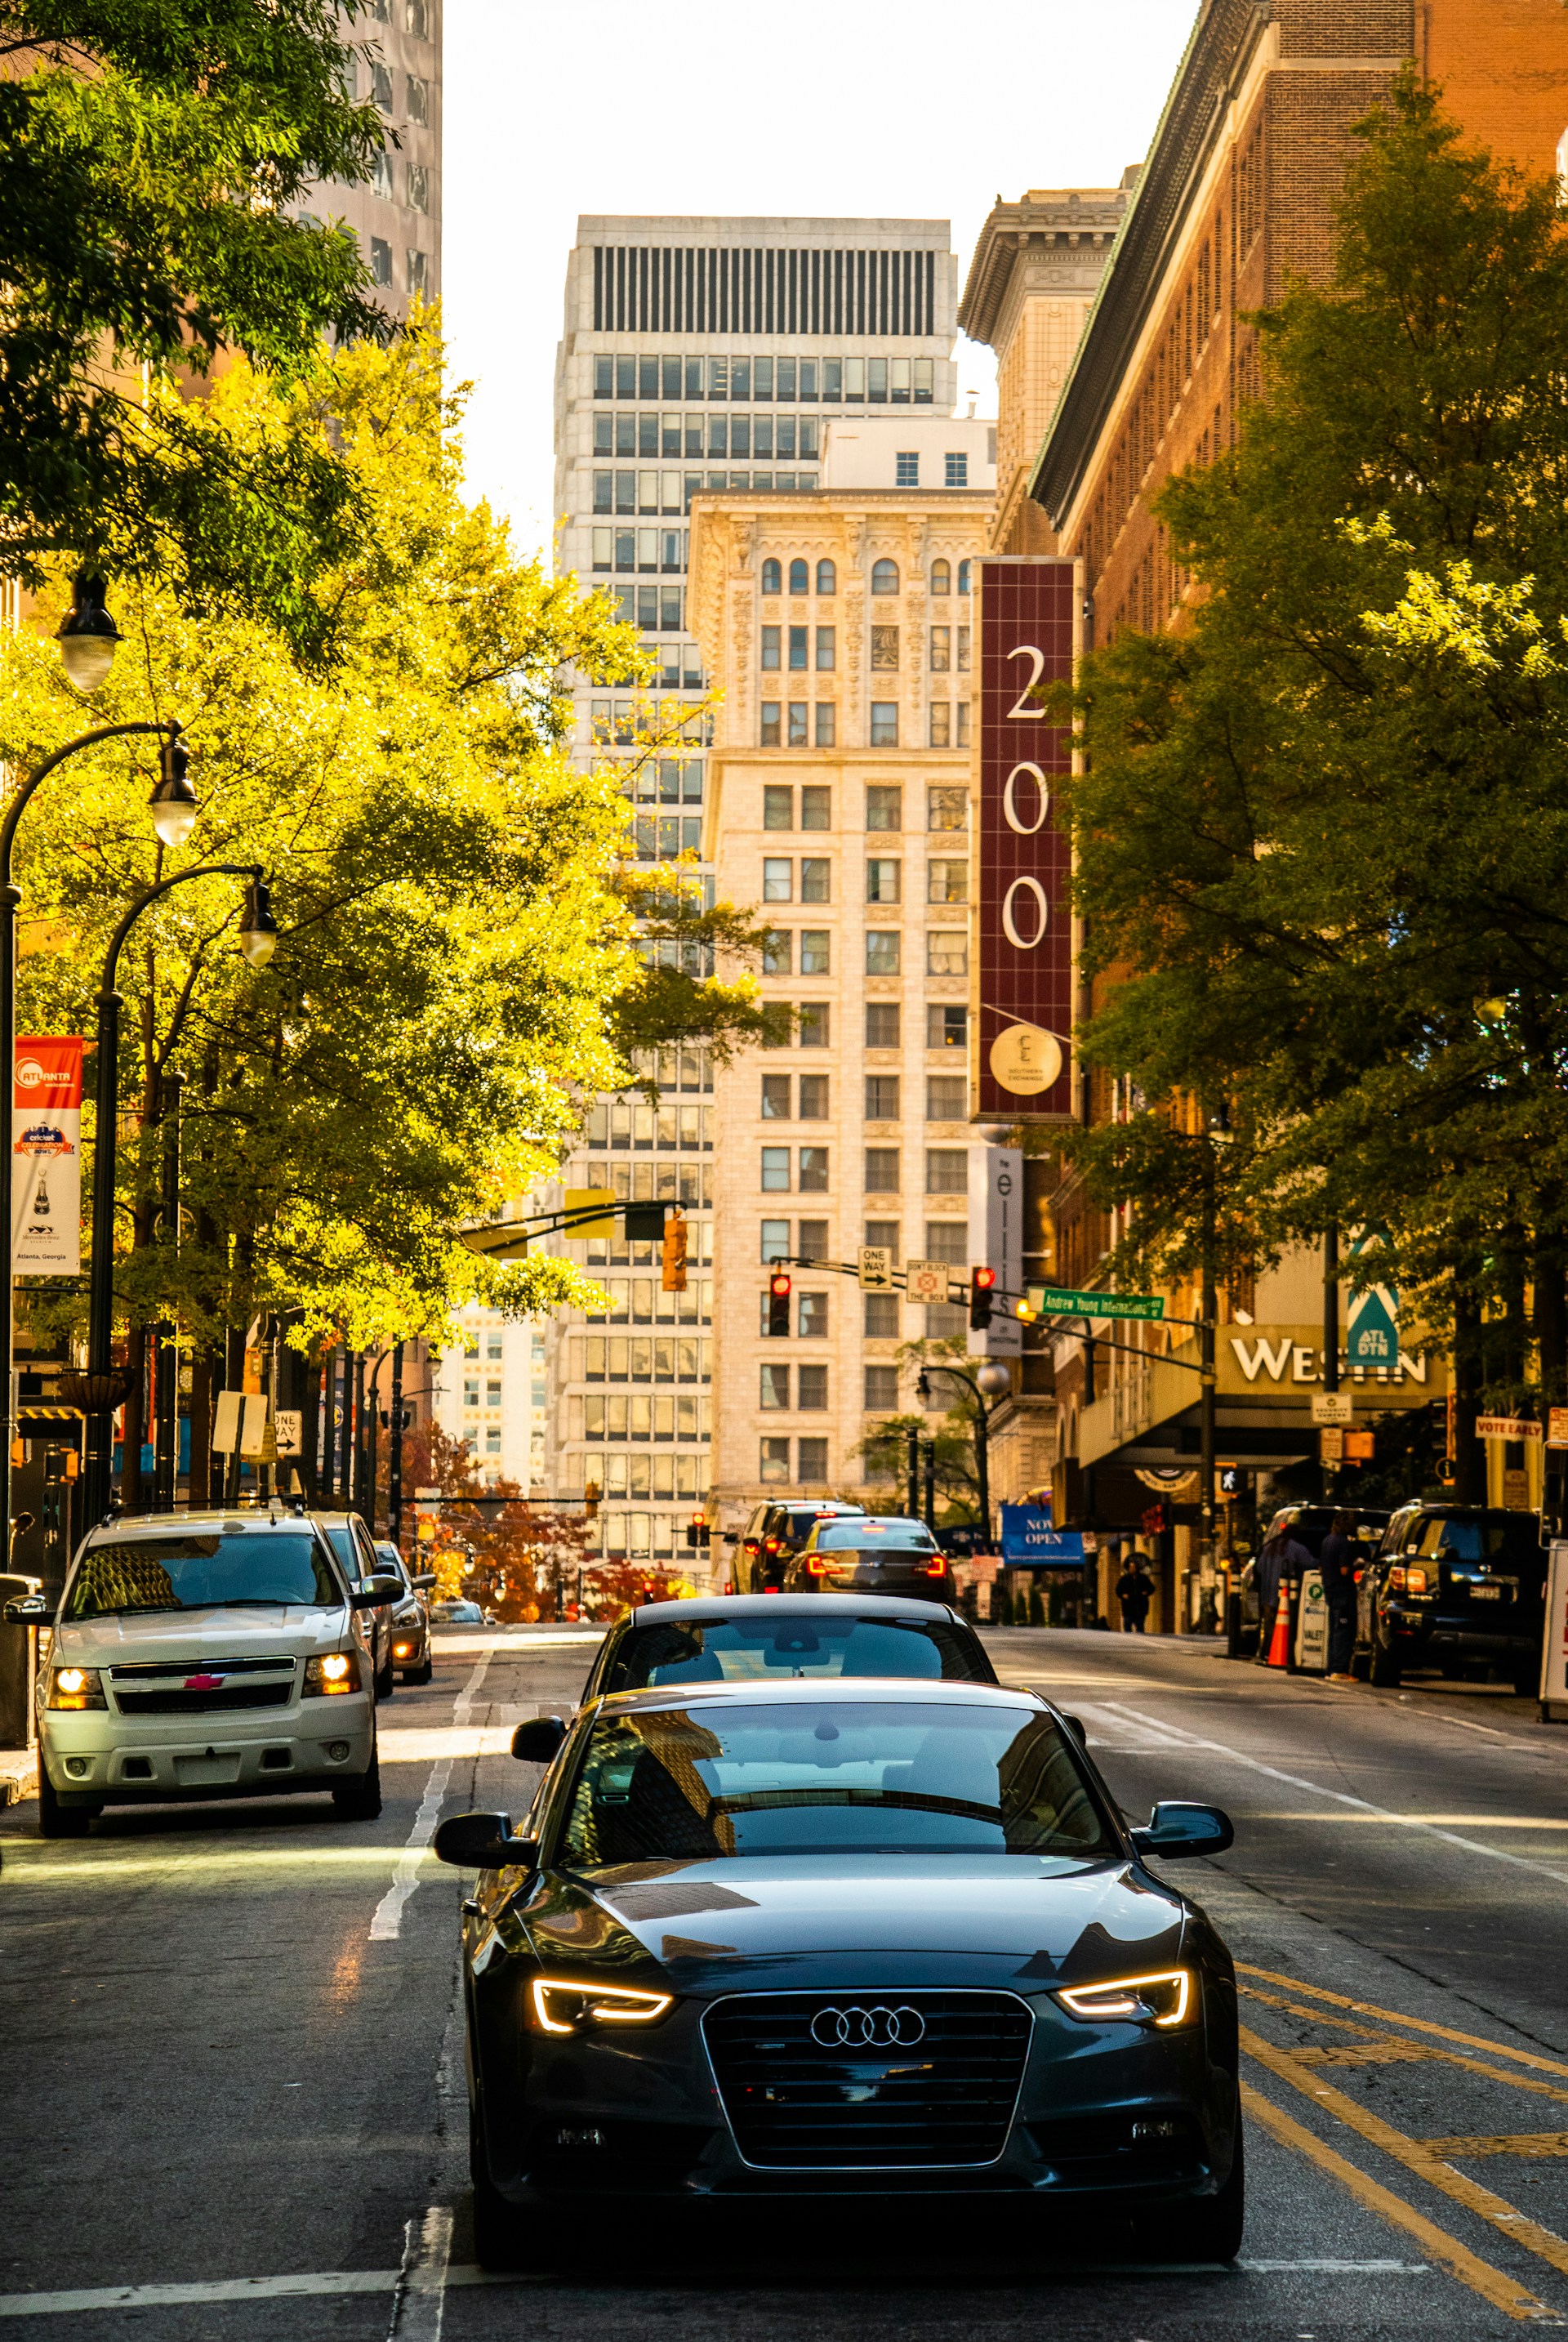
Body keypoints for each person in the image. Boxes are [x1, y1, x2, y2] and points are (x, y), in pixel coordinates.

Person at [1254, 1519, 1314, 1663]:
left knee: (1270, 1626)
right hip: (1287, 1597)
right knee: (1288, 1626)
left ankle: (1267, 1652)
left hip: (1268, 1595)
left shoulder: (1270, 1546)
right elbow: (1310, 1564)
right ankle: (1285, 1654)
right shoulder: (1297, 1548)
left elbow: (1260, 1568)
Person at [1319, 1509, 1357, 1679]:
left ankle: (1331, 1668)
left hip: (1330, 1589)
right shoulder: (1343, 1543)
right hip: (1343, 1591)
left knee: (1334, 1630)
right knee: (1343, 1630)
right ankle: (1339, 1669)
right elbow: (1344, 1570)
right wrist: (1357, 1564)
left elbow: (1321, 1567)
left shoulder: (1327, 1540)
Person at [1115, 1555, 1155, 1633]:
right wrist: (1123, 1595)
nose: (1131, 1569)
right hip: (1128, 1607)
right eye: (1130, 1567)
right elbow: (1118, 1590)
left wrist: (1146, 1593)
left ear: (1137, 1568)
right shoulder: (1124, 1579)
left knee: (1140, 1627)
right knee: (1127, 1626)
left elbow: (1152, 1588)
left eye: (1133, 1567)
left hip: (1140, 1607)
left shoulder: (1143, 1578)